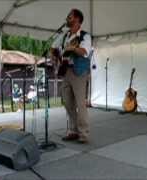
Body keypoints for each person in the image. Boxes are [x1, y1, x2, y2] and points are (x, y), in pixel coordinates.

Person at [50, 9, 91, 144]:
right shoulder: (65, 35)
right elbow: (54, 48)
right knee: (68, 103)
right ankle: (73, 131)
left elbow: (84, 52)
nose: (67, 18)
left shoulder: (85, 36)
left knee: (80, 104)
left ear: (77, 19)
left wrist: (72, 48)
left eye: (70, 17)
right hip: (66, 71)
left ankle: (83, 134)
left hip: (79, 72)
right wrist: (54, 55)